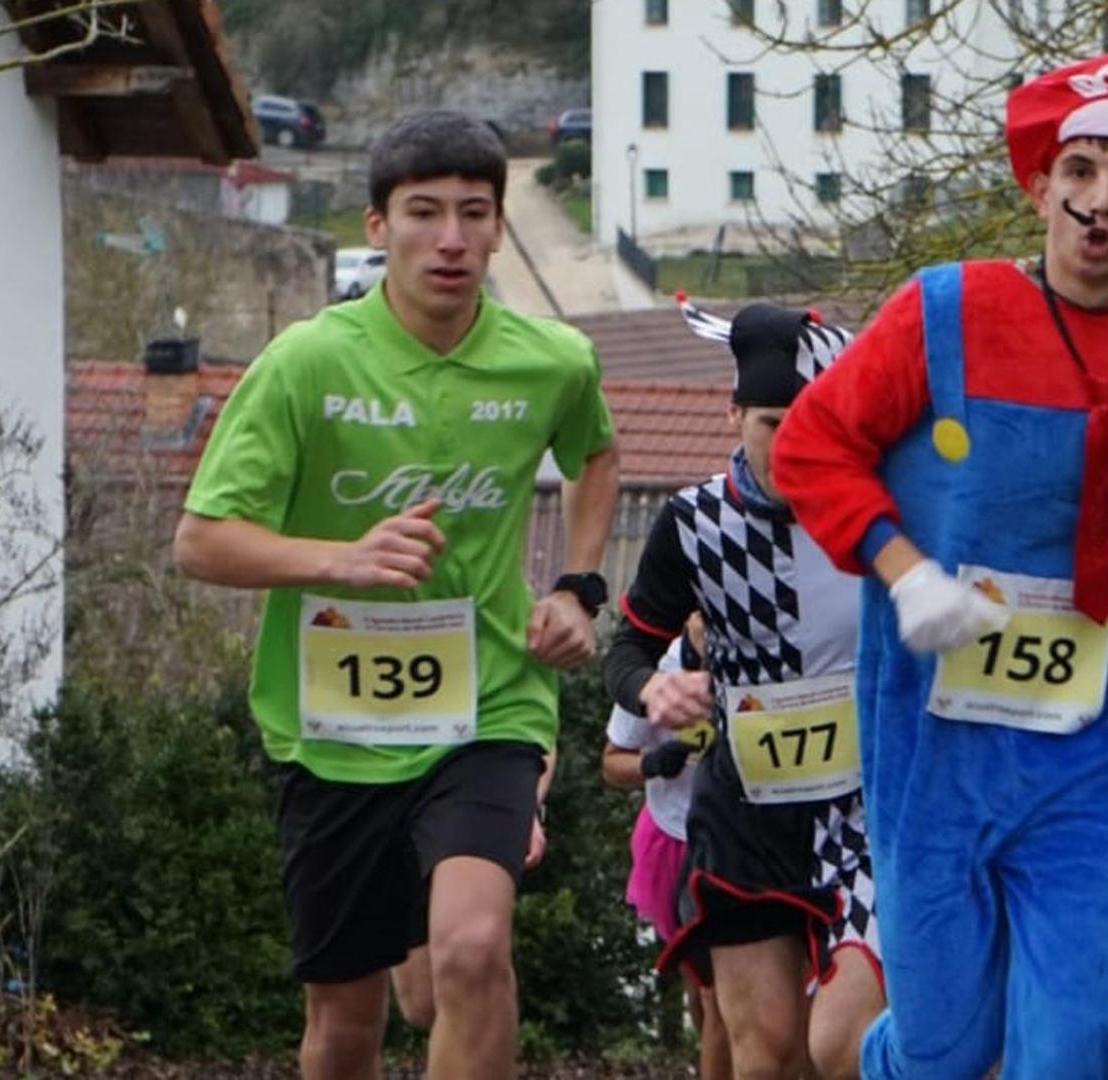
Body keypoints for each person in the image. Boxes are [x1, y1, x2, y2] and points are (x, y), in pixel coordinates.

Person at [770, 45, 1108, 1079]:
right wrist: (902, 569)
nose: (1100, 201)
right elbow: (812, 446)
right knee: (951, 1049)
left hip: (1093, 742)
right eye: (1080, 172)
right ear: (1039, 186)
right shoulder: (942, 311)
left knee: (1069, 1052)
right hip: (934, 740)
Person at [172, 109, 619, 1080]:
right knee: (346, 1031)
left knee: (470, 949)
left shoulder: (553, 361)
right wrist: (342, 560)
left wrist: (581, 586)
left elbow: (593, 450)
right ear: (377, 227)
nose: (451, 240)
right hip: (331, 724)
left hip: (486, 703)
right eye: (424, 213)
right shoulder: (307, 364)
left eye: (474, 213)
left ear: (503, 225)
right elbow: (202, 541)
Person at [600, 298, 881, 1080]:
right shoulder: (692, 524)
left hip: (865, 808)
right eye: (769, 422)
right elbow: (628, 648)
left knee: (845, 1049)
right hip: (747, 812)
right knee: (764, 1059)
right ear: (734, 415)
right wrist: (650, 694)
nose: (789, 441)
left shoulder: (877, 514)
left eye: (808, 418)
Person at [601, 617, 730, 1080]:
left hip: (739, 840)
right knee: (702, 997)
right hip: (673, 840)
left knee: (723, 996)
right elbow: (611, 764)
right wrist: (653, 764)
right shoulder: (658, 668)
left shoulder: (760, 658)